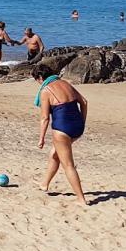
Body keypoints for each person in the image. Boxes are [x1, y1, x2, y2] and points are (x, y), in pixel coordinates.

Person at [33, 66, 89, 205]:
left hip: (62, 129)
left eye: (37, 81)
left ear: (40, 78)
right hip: (77, 127)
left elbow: (45, 118)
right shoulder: (66, 83)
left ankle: (81, 199)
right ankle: (44, 184)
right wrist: (82, 121)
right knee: (54, 154)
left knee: (68, 165)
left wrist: (41, 139)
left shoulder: (46, 91)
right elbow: (84, 102)